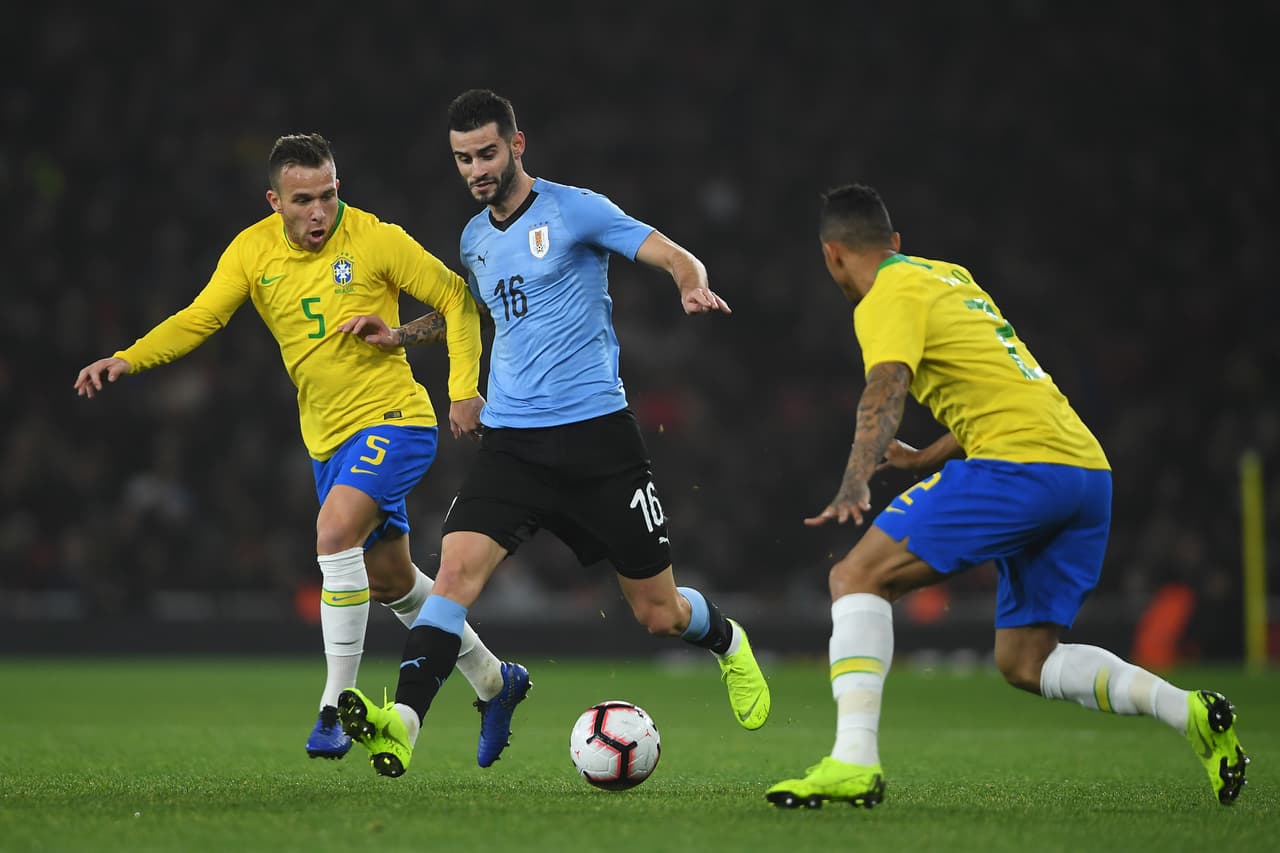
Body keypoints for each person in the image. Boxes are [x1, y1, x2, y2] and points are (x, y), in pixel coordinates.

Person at [764, 184, 1249, 809]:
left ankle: (853, 761)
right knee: (1027, 661)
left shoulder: (885, 293)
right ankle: (1189, 711)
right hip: (1084, 471)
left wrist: (857, 475)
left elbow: (887, 381)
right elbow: (1000, 388)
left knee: (856, 578)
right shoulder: (950, 277)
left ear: (832, 254)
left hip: (1020, 466)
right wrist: (924, 457)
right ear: (897, 242)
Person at [333, 89, 771, 778]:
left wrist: (690, 282)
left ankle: (726, 639)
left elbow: (671, 252)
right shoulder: (474, 239)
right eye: (463, 159)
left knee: (658, 613)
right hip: (514, 444)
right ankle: (404, 723)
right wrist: (401, 335)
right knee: (452, 576)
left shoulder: (575, 209)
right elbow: (473, 311)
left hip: (599, 442)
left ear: (516, 145)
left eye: (486, 153)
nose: (476, 169)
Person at [72, 133, 530, 769]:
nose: (319, 212)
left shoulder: (375, 238)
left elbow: (457, 296)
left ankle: (333, 707)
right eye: (303, 201)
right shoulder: (253, 251)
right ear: (275, 202)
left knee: (334, 532)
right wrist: (129, 358)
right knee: (392, 582)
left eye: (328, 196)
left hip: (396, 421)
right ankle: (495, 681)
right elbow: (201, 317)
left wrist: (462, 390)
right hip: (328, 440)